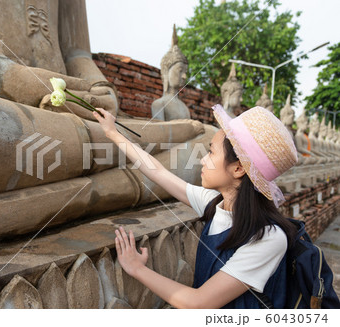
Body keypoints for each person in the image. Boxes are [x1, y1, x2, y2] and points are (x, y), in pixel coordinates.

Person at [93, 104, 298, 309]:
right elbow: (159, 173)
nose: (202, 159)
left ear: (238, 169)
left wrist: (137, 268)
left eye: (211, 152)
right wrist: (113, 133)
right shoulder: (216, 203)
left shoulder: (268, 238)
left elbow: (199, 303)